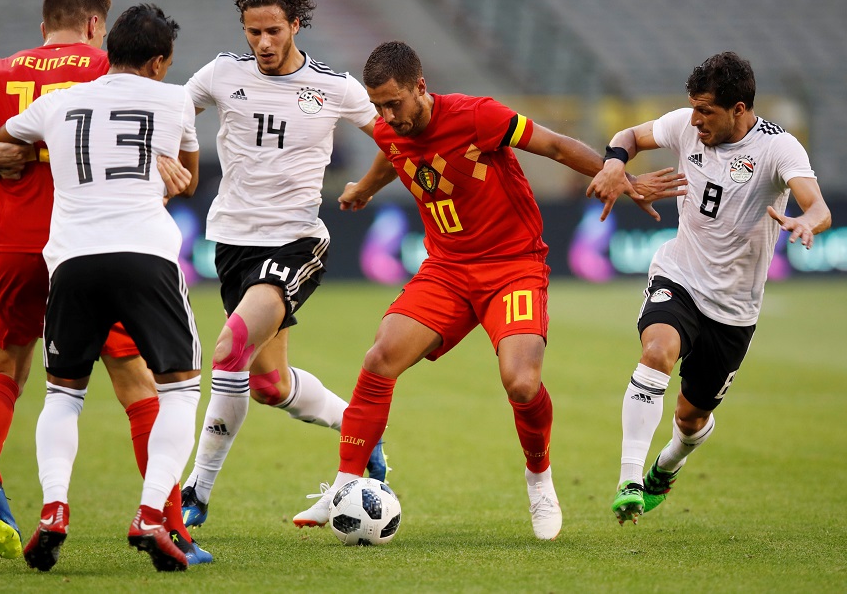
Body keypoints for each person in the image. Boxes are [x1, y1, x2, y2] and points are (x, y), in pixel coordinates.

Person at [292, 41, 686, 539]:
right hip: (447, 270)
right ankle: (346, 485)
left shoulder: (478, 117)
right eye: (378, 107)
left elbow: (556, 146)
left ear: (420, 87)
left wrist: (621, 175)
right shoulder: (394, 127)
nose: (387, 116)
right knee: (379, 359)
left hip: (512, 267)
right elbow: (392, 155)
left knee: (521, 383)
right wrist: (366, 188)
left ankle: (539, 478)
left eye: (394, 103)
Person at [0, 0, 207, 565]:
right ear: (100, 26)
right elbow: (178, 166)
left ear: (44, 24)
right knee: (144, 389)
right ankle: (166, 523)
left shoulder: (1, 72)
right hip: (116, 242)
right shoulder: (120, 72)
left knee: (15, 376)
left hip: (26, 243)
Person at [0, 3, 203, 572]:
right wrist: (160, 163)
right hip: (144, 256)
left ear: (108, 51)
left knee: (63, 395)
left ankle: (55, 509)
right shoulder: (174, 97)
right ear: (160, 61)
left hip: (73, 261)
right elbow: (188, 176)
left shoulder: (57, 102)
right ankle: (152, 513)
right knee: (180, 390)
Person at [179, 0, 389, 528]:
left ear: (296, 25)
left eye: (273, 30)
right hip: (232, 243)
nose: (264, 43)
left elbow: (397, 137)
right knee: (270, 384)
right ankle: (359, 427)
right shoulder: (222, 74)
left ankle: (195, 493)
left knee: (230, 348)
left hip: (296, 241)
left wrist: (367, 186)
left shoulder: (335, 87)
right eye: (253, 32)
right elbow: (170, 115)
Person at [585, 52, 832, 526]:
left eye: (707, 111)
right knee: (656, 351)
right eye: (693, 108)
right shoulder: (684, 124)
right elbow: (630, 137)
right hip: (679, 275)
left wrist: (807, 223)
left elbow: (818, 206)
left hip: (735, 308)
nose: (695, 120)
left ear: (739, 109)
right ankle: (629, 480)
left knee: (690, 418)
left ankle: (668, 465)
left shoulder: (780, 150)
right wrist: (616, 163)